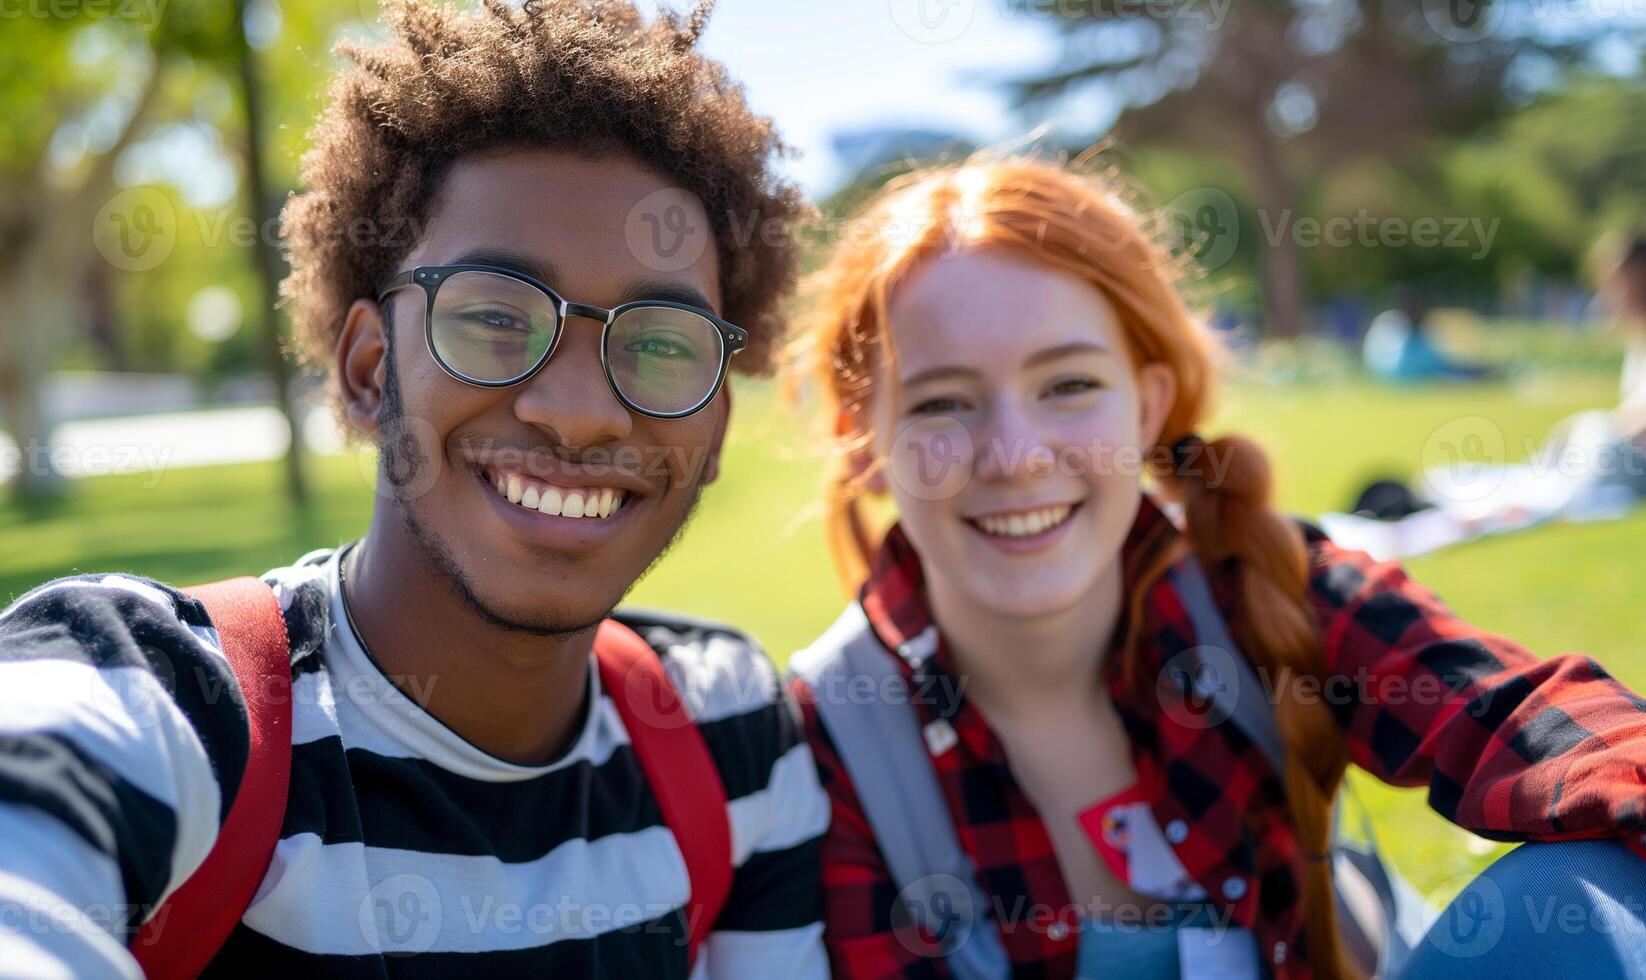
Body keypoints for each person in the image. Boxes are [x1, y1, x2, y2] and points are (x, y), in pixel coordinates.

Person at [0, 2, 828, 976]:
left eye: (657, 343)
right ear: (365, 369)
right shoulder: (161, 696)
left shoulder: (728, 729)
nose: (580, 413)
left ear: (718, 425)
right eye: (493, 317)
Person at [782, 156, 1646, 979]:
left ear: (1148, 406)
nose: (1014, 455)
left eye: (1069, 385)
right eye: (942, 402)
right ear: (864, 443)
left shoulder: (1256, 586)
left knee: (1583, 896)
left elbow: (1527, 717)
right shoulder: (829, 740)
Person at [1330, 238, 1646, 561]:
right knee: (1519, 476)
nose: (1607, 294)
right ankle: (1431, 498)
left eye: (1615, 282)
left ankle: (1432, 507)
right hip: (1603, 451)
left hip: (1616, 459)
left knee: (1541, 487)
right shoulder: (1637, 342)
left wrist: (1603, 431)